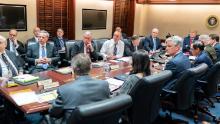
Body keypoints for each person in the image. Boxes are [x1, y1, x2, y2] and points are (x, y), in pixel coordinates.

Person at [49, 53, 110, 123]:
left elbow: (54, 113)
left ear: (73, 69)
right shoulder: (104, 85)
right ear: (91, 67)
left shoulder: (64, 90)